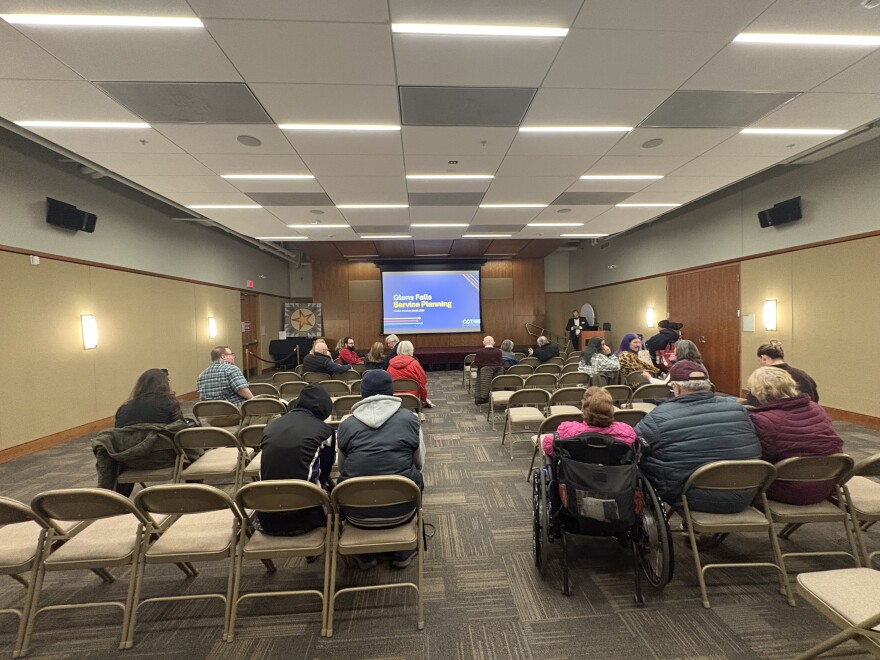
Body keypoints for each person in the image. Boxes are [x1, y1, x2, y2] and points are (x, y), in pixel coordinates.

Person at [636, 360, 761, 513]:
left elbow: (635, 443)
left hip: (687, 496)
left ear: (676, 388)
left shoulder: (659, 416)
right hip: (743, 492)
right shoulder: (738, 409)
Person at [337, 370, 425, 569]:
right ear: (391, 392)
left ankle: (364, 555)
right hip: (402, 511)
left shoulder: (346, 424)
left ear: (362, 393)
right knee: (415, 477)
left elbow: (342, 467)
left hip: (356, 514)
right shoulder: (410, 419)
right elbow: (419, 462)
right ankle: (404, 552)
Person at [746, 367, 842, 505]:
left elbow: (761, 462)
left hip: (786, 489)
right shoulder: (817, 408)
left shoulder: (763, 420)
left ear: (757, 392)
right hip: (825, 484)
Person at [93, 368, 192, 495]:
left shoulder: (123, 408)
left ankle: (119, 501)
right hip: (162, 459)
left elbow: (119, 437)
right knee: (193, 451)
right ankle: (195, 494)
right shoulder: (169, 403)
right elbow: (180, 432)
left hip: (129, 461)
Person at [257, 384, 335, 535]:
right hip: (307, 518)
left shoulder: (270, 426)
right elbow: (324, 473)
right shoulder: (325, 431)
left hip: (266, 518)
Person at [541, 387, 636, 457]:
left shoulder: (568, 429)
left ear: (584, 410)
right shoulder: (626, 431)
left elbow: (548, 446)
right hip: (616, 480)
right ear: (611, 409)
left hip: (575, 477)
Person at [745, 340, 819, 405]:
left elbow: (755, 404)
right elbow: (815, 399)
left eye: (759, 361)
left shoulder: (763, 379)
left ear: (764, 358)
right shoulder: (803, 375)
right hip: (808, 416)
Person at [115, 368, 182, 427]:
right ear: (165, 385)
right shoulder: (169, 403)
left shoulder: (122, 409)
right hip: (159, 441)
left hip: (129, 441)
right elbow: (179, 429)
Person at [387, 340, 434, 408]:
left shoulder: (391, 365)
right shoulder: (414, 363)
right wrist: (424, 399)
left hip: (394, 398)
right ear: (411, 349)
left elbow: (387, 382)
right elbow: (422, 381)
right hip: (412, 398)